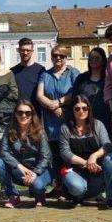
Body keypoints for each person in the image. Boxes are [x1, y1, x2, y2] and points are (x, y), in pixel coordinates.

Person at [60, 95, 112, 209]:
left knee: (111, 160)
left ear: (89, 109)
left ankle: (110, 198)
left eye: (84, 108)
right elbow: (64, 152)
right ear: (72, 110)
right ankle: (79, 196)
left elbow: (108, 145)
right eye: (77, 108)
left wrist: (94, 156)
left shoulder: (97, 125)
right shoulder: (65, 128)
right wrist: (86, 163)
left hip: (96, 171)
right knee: (77, 187)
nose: (81, 111)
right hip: (75, 170)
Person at [36, 44, 79, 197]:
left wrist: (59, 102)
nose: (58, 58)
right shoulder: (45, 75)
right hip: (51, 121)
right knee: (54, 156)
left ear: (66, 57)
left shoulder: (72, 73)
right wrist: (54, 107)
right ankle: (58, 186)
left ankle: (70, 187)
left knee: (67, 153)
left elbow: (75, 92)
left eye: (61, 56)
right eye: (55, 56)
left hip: (68, 120)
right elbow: (39, 95)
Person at [0, 100, 52, 208]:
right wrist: (19, 166)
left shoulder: (40, 131)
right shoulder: (10, 130)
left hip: (39, 170)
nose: (23, 115)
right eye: (20, 112)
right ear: (15, 114)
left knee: (37, 186)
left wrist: (35, 173)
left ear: (32, 114)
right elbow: (3, 152)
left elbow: (46, 157)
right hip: (20, 171)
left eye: (27, 113)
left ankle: (39, 194)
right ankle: (13, 196)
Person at [72, 47, 112, 169]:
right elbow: (74, 99)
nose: (94, 60)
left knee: (109, 147)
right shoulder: (81, 78)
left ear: (103, 60)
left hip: (106, 118)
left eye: (97, 58)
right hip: (86, 120)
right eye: (91, 58)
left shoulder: (108, 78)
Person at [11, 38, 45, 115]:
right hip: (19, 114)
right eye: (23, 50)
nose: (25, 53)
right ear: (18, 50)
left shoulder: (41, 70)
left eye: (28, 50)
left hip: (36, 114)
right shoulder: (13, 71)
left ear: (32, 51)